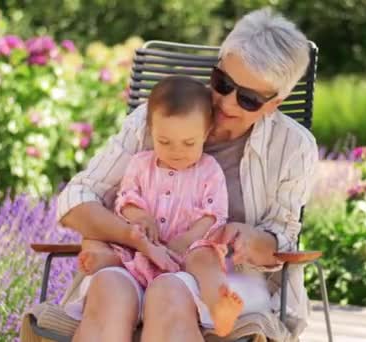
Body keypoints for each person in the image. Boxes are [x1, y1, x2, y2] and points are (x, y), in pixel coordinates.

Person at [57, 8, 318, 342]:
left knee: (168, 294)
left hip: (224, 283)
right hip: (135, 265)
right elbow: (78, 199)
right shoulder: (157, 120)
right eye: (222, 83)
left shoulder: (293, 147)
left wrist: (253, 241)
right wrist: (134, 236)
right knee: (108, 287)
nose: (225, 102)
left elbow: (283, 238)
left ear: (274, 103)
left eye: (248, 99)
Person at [74, 75, 243, 336]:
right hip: (142, 251)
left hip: (186, 256)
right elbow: (126, 199)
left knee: (206, 256)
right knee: (118, 247)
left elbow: (214, 214)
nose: (177, 151)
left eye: (189, 143)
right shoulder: (140, 164)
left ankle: (217, 303)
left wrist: (187, 239)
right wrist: (140, 216)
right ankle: (106, 261)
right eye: (164, 142)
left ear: (206, 134)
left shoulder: (209, 170)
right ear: (151, 132)